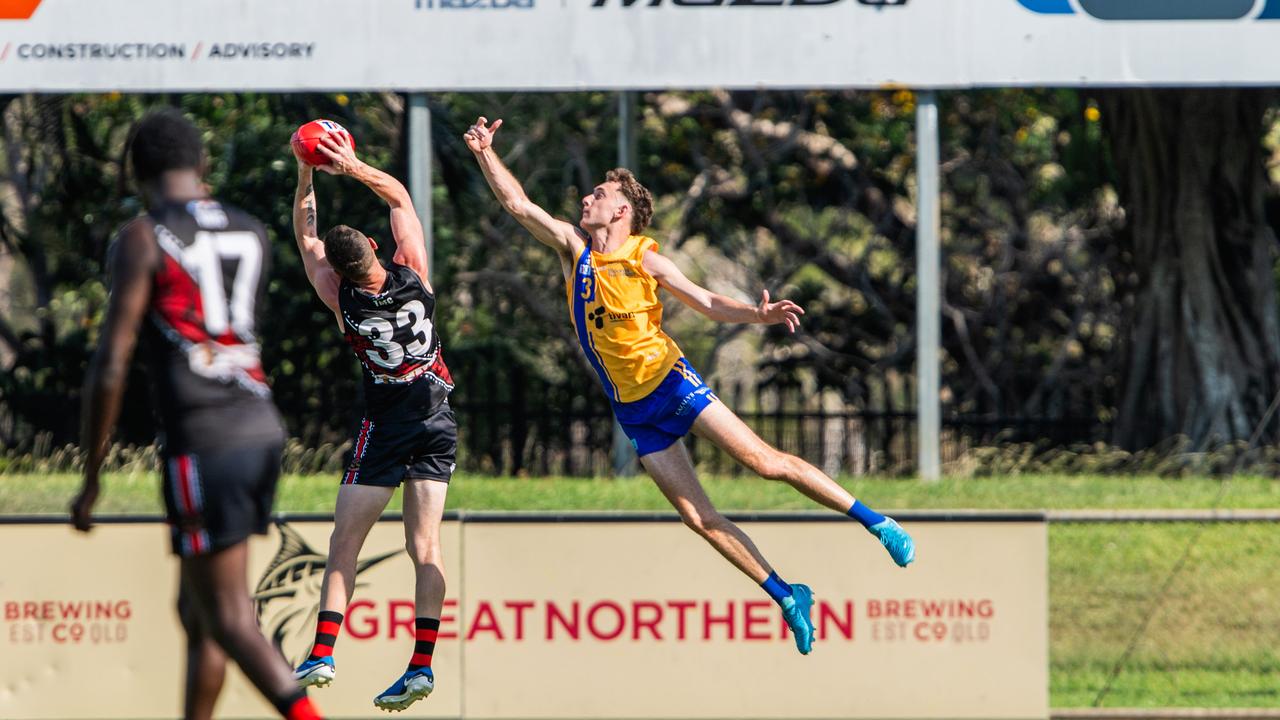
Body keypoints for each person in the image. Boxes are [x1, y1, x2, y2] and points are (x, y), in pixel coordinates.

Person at [464, 115, 915, 655]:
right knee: (698, 517)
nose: (587, 198)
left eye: (599, 194)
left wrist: (757, 313)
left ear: (621, 210)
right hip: (633, 409)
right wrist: (485, 152)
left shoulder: (645, 258)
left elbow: (705, 302)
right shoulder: (575, 252)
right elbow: (518, 205)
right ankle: (787, 593)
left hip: (673, 384)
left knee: (765, 463)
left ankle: (877, 522)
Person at [69, 107, 323, 720]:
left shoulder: (143, 236)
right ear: (202, 165)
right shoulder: (251, 230)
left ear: (136, 173)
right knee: (198, 611)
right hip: (260, 429)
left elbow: (111, 364)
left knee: (233, 618)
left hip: (203, 438)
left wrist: (92, 476)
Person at [287, 130, 455, 712]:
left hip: (385, 425)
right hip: (436, 416)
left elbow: (307, 235)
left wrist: (307, 174)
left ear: (338, 271)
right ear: (379, 253)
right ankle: (422, 665)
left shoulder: (341, 299)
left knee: (343, 546)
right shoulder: (414, 273)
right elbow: (401, 200)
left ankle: (324, 653)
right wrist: (352, 165)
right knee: (425, 546)